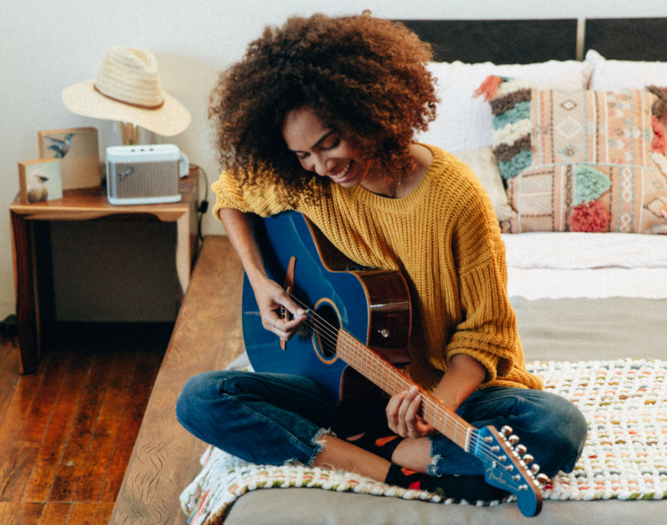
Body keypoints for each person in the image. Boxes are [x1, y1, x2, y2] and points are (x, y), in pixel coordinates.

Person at [176, 12, 587, 503]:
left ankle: (382, 450)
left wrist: (434, 406)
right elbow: (231, 194)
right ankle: (388, 466)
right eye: (303, 154)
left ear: (368, 110)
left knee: (557, 425)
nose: (322, 166)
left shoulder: (456, 198)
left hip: (440, 394)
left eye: (330, 142)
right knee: (201, 399)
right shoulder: (305, 181)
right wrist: (262, 281)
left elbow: (486, 332)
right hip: (335, 388)